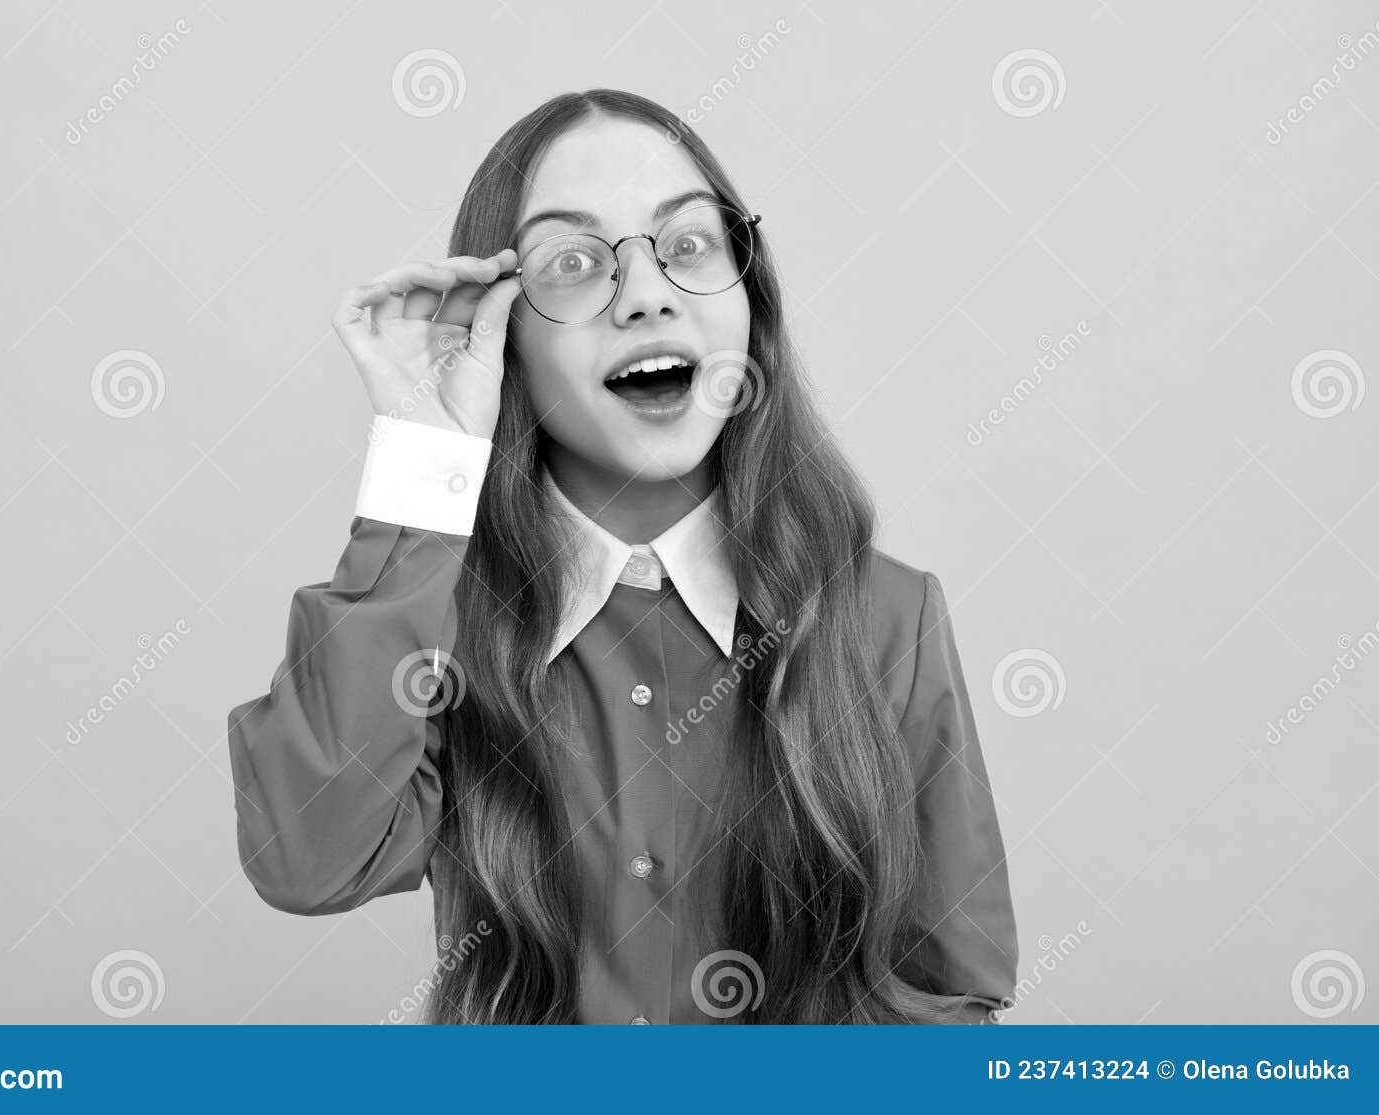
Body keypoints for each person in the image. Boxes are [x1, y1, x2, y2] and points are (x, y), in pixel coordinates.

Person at [227, 88, 1018, 1024]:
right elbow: (309, 857)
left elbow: (956, 987)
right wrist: (423, 463)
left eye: (687, 246)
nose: (645, 293)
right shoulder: (438, 625)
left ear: (749, 307)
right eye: (572, 263)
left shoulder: (887, 615)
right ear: (501, 339)